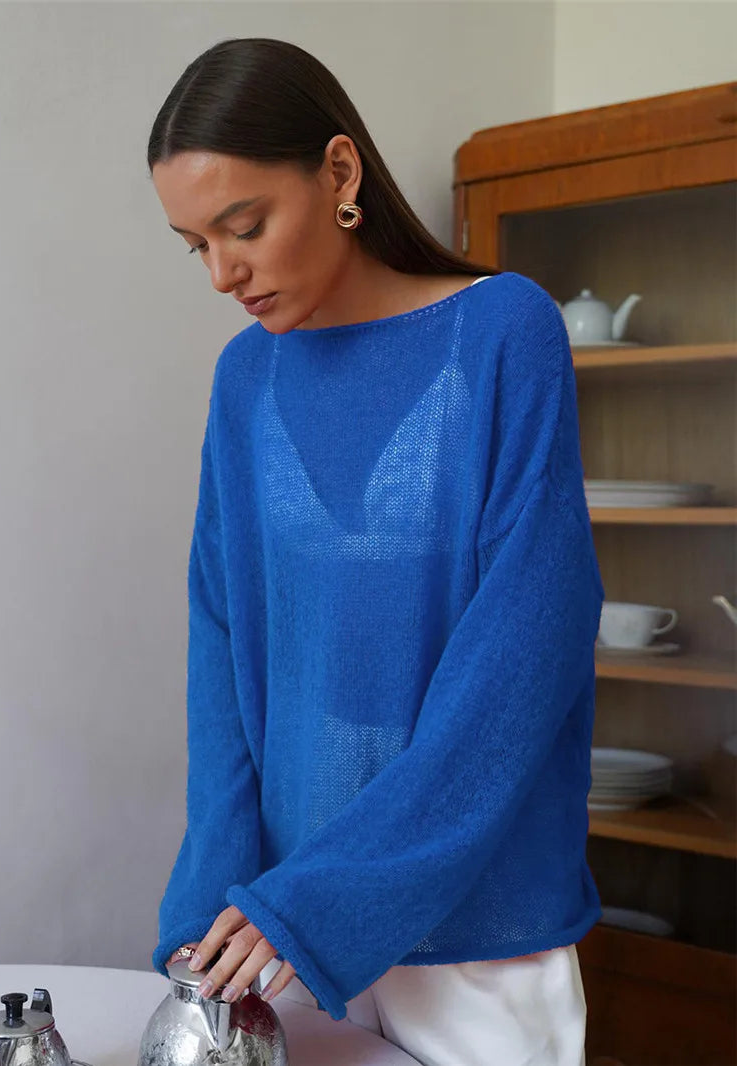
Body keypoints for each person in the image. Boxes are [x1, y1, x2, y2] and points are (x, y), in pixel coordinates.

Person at [146, 36, 604, 1066]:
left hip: (476, 936)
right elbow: (221, 647)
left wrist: (324, 900)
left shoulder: (504, 331)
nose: (221, 273)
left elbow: (524, 652)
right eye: (194, 244)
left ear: (340, 172)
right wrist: (213, 895)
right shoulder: (244, 380)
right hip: (283, 936)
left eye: (244, 227)